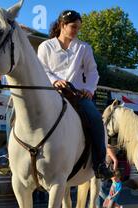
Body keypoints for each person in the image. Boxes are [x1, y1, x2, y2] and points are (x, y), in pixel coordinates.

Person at [37, 10, 113, 180]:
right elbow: (42, 69)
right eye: (73, 27)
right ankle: (11, 160)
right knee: (17, 109)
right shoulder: (46, 46)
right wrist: (54, 81)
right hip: (51, 93)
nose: (76, 31)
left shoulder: (84, 48)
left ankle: (100, 164)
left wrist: (89, 89)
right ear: (62, 25)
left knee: (96, 120)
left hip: (76, 95)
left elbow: (92, 72)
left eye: (78, 28)